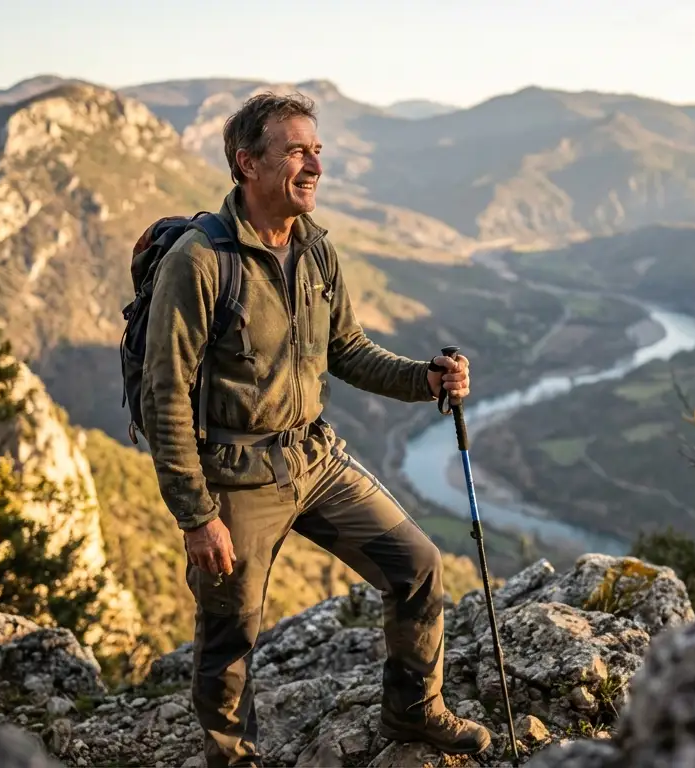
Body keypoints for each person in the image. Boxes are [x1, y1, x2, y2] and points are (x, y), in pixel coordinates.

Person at [139, 91, 492, 767]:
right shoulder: (201, 262)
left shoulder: (317, 251)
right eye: (296, 151)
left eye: (317, 151)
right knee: (229, 630)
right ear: (247, 163)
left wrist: (426, 379)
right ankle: (230, 756)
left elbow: (349, 350)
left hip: (314, 459)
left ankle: (413, 711)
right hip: (237, 479)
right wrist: (196, 515)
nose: (314, 166)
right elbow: (166, 398)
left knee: (416, 565)